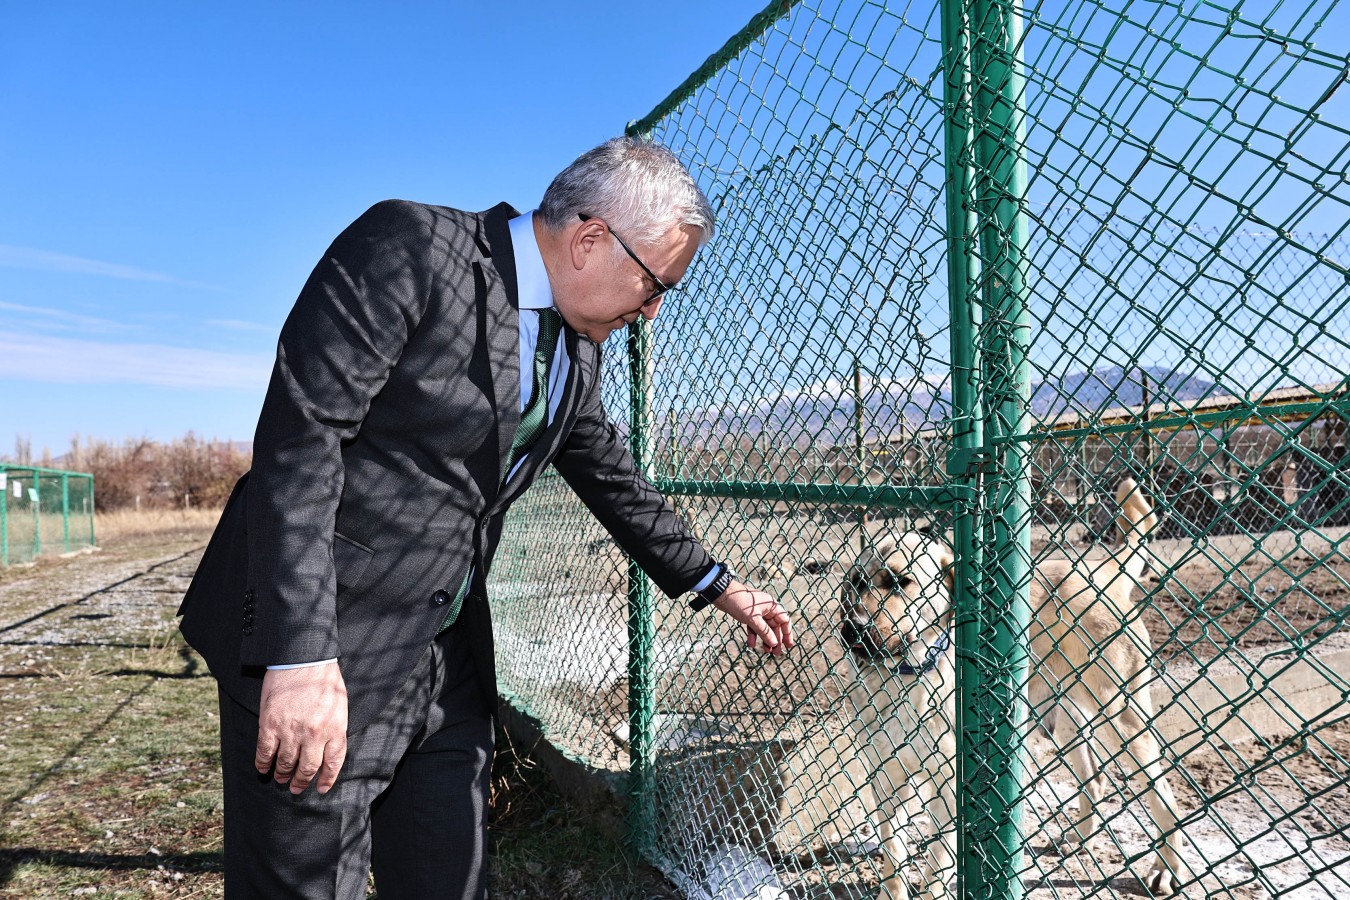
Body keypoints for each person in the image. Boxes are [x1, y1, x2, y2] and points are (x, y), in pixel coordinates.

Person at [177, 136, 795, 899]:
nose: (653, 309)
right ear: (590, 240)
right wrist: (300, 658)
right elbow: (301, 447)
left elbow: (607, 471)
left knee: (450, 876)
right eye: (654, 284)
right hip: (329, 647)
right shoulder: (410, 248)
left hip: (446, 661)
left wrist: (717, 584)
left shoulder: (573, 343)